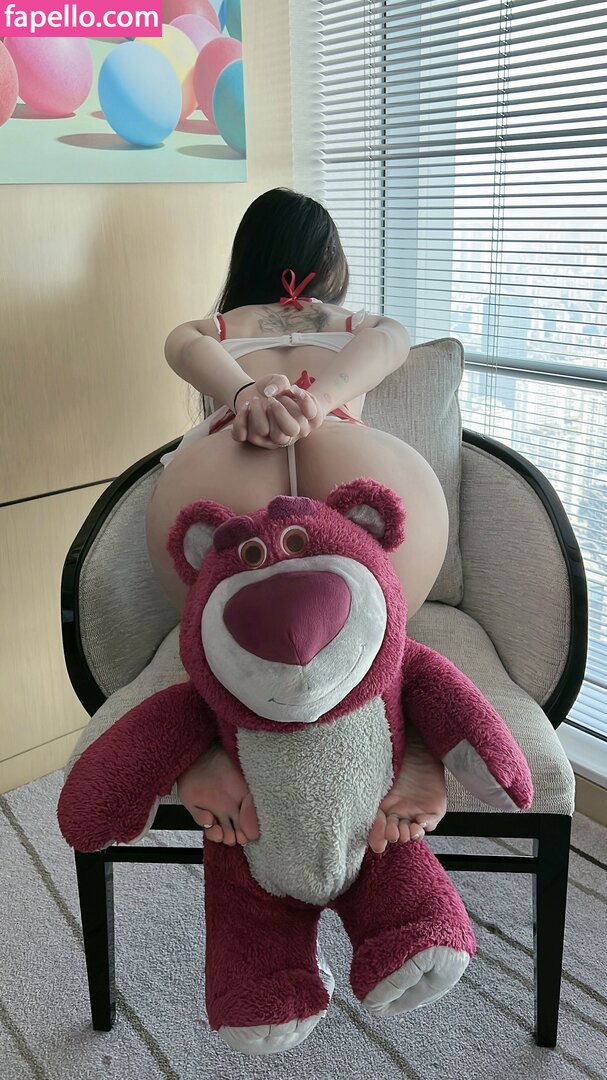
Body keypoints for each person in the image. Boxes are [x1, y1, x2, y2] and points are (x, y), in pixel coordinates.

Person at [146, 187, 447, 856]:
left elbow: (180, 343)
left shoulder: (221, 326)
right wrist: (317, 404)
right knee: (377, 626)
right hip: (345, 444)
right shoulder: (356, 322)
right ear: (330, 260)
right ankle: (409, 730)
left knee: (220, 633)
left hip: (231, 448)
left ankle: (211, 736)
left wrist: (247, 395)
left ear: (248, 256)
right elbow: (392, 339)